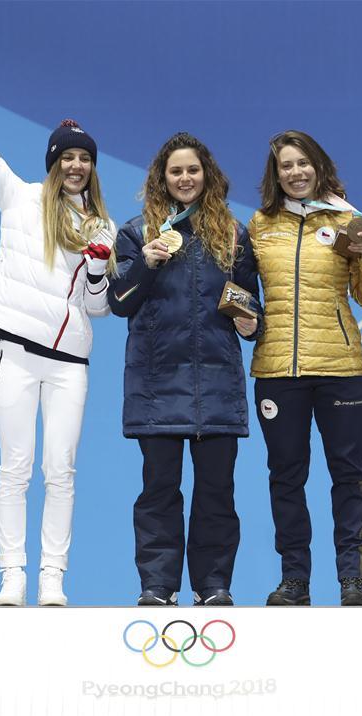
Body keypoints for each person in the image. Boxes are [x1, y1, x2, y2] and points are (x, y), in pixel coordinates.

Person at [0, 44, 115, 607]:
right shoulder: (17, 197)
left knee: (60, 470)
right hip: (16, 353)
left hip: (69, 366)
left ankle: (53, 577)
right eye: (67, 156)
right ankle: (12, 574)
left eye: (84, 157)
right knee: (14, 468)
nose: (76, 164)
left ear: (92, 165)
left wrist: (100, 268)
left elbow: (98, 307)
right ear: (53, 161)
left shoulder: (103, 222)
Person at [108, 133, 261, 607]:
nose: (185, 178)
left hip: (216, 385)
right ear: (161, 178)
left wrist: (252, 321)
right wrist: (146, 265)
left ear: (207, 175)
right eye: (176, 171)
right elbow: (118, 302)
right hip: (156, 385)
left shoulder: (234, 234)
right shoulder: (137, 233)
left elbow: (251, 306)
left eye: (192, 170)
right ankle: (158, 587)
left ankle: (213, 585)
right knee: (159, 491)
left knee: (217, 493)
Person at [248, 130, 362, 607]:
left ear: (319, 166)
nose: (295, 172)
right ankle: (295, 581)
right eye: (286, 166)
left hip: (340, 367)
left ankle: (352, 579)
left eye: (303, 163)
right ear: (276, 174)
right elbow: (244, 291)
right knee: (285, 477)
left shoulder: (349, 220)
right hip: (276, 371)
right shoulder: (260, 225)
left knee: (348, 474)